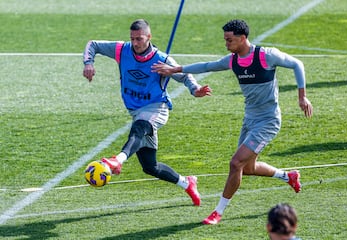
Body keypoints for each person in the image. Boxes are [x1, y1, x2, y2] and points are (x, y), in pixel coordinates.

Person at [152, 19, 313, 224]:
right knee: (247, 168)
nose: (226, 44)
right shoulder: (232, 60)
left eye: (229, 40)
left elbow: (297, 64)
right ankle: (287, 176)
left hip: (268, 121)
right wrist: (174, 70)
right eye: (225, 40)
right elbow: (207, 65)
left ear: (242, 38)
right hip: (250, 120)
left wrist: (302, 96)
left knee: (235, 163)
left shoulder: (265, 55)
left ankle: (218, 212)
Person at [82, 19, 212, 206]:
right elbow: (92, 44)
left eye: (139, 39)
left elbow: (184, 76)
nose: (135, 43)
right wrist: (88, 63)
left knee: (139, 128)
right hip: (136, 110)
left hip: (156, 108)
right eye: (132, 39)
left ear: (149, 37)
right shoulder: (122, 50)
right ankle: (187, 182)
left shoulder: (162, 59)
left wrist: (195, 89)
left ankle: (116, 161)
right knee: (151, 167)